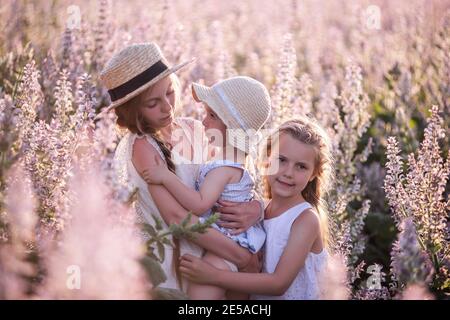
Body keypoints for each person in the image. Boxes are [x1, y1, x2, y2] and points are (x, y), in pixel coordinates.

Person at [98, 42, 263, 294]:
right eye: (152, 103)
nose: (167, 106)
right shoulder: (144, 147)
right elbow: (176, 218)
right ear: (133, 111)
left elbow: (235, 178)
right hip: (175, 258)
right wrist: (243, 258)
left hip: (215, 248)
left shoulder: (194, 129)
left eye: (169, 92)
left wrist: (257, 207)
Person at [141, 76, 271, 299]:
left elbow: (200, 205)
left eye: (212, 115)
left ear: (231, 129)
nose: (204, 122)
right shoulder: (233, 162)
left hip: (226, 252)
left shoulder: (221, 169)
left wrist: (165, 177)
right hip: (235, 246)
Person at [180, 117, 333, 299]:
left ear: (313, 174)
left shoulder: (306, 219)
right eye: (281, 160)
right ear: (267, 158)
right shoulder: (258, 209)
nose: (288, 173)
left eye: (301, 166)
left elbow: (278, 284)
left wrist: (213, 275)